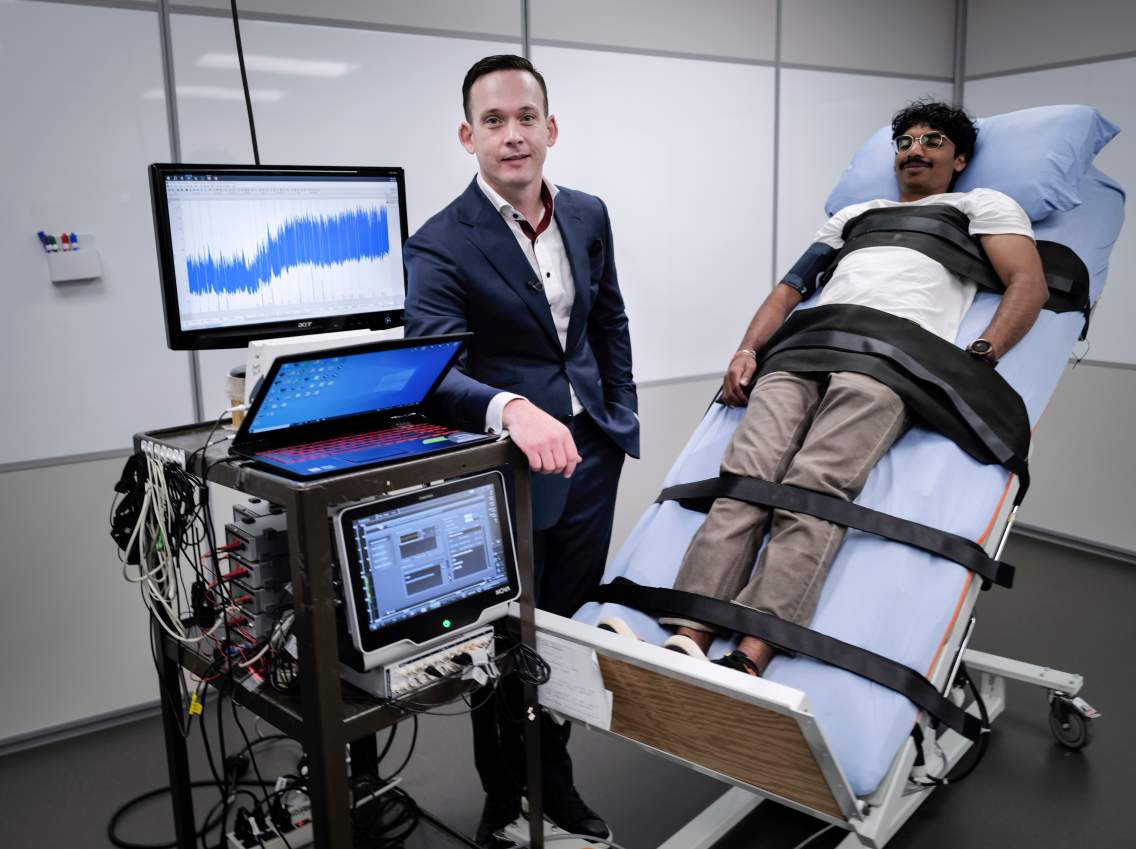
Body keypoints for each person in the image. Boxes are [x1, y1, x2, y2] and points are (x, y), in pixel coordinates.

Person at [656, 100, 1047, 677]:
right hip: (802, 348)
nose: (915, 150)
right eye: (906, 142)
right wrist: (747, 350)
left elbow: (1027, 284)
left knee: (816, 484)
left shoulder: (979, 206)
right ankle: (691, 630)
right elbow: (789, 291)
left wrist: (984, 351)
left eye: (934, 141)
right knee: (748, 474)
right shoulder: (855, 215)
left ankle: (753, 647)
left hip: (889, 358)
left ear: (960, 159)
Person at [403, 55, 638, 846]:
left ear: (551, 127)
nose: (513, 135)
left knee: (564, 630)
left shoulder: (589, 212)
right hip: (504, 472)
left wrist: (618, 413)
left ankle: (554, 783)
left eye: (526, 117)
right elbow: (435, 371)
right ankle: (506, 797)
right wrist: (512, 409)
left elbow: (608, 320)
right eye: (494, 121)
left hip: (591, 458)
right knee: (503, 643)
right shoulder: (439, 242)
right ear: (468, 136)